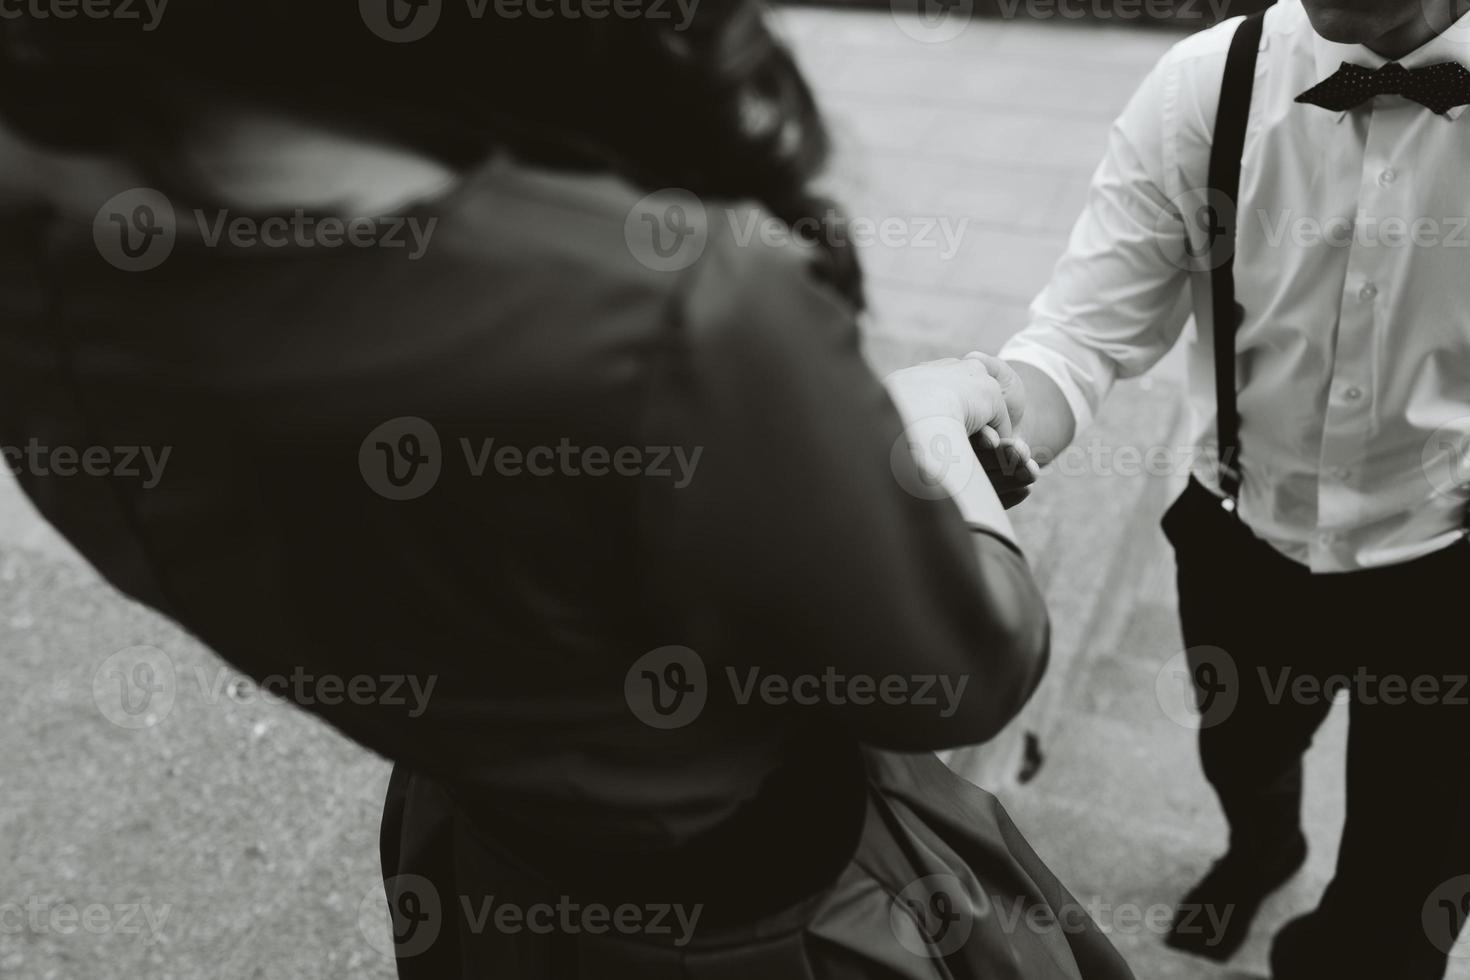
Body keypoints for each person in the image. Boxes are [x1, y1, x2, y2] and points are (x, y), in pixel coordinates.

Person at [0, 5, 1136, 978]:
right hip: (780, 918)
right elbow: (965, 669)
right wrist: (925, 428)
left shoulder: (52, 243)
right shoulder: (666, 317)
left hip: (479, 866)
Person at [992, 0, 1470, 975]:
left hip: (1447, 562)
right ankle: (1264, 848)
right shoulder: (1208, 84)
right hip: (1242, 535)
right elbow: (1081, 334)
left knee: (1411, 869)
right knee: (1242, 752)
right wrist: (988, 411)